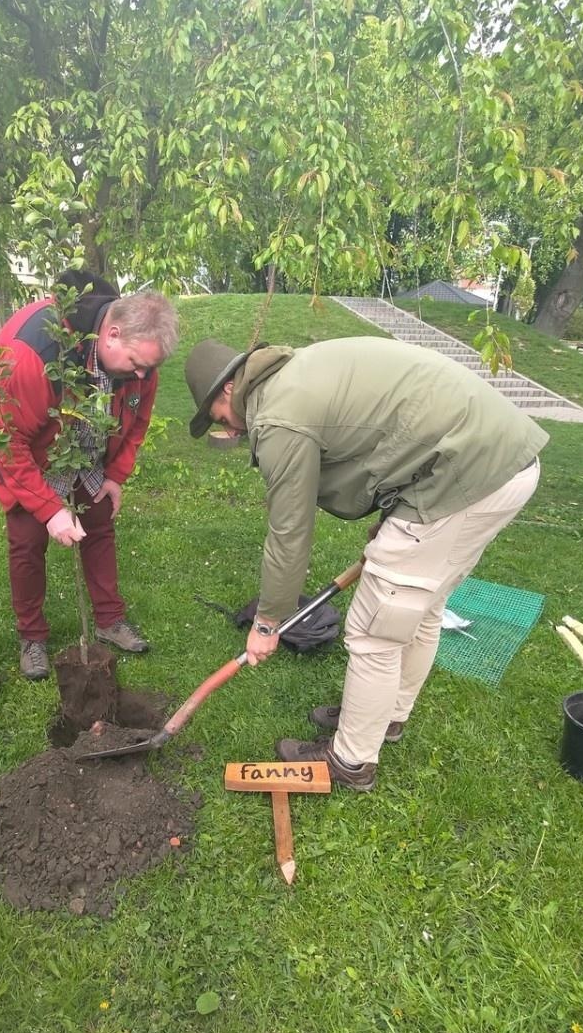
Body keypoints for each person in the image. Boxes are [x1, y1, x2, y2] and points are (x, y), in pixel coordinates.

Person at [185, 336, 548, 791]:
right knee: (424, 606)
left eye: (219, 420)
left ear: (226, 390)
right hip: (500, 461)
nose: (230, 433)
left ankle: (352, 759)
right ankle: (383, 717)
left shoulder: (279, 418)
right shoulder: (293, 376)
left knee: (374, 629)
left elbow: (290, 534)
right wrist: (399, 520)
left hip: (470, 470)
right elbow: (392, 440)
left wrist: (268, 621)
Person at [0, 270, 179, 680]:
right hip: (30, 455)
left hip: (88, 451)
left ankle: (108, 619)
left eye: (149, 369)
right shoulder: (34, 353)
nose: (142, 377)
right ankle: (32, 637)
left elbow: (137, 419)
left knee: (98, 528)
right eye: (137, 365)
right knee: (27, 543)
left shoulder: (140, 365)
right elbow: (5, 440)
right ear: (112, 334)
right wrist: (49, 510)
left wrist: (116, 475)